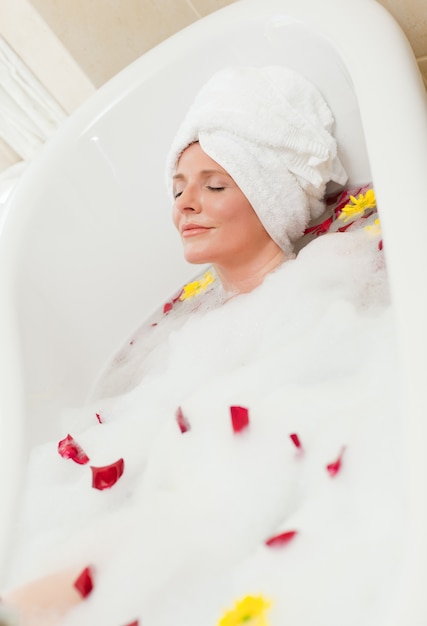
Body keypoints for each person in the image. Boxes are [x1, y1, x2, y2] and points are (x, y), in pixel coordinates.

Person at [0, 66, 401, 626]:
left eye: (214, 186)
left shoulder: (330, 291)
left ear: (271, 196)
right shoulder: (186, 328)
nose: (186, 204)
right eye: (178, 188)